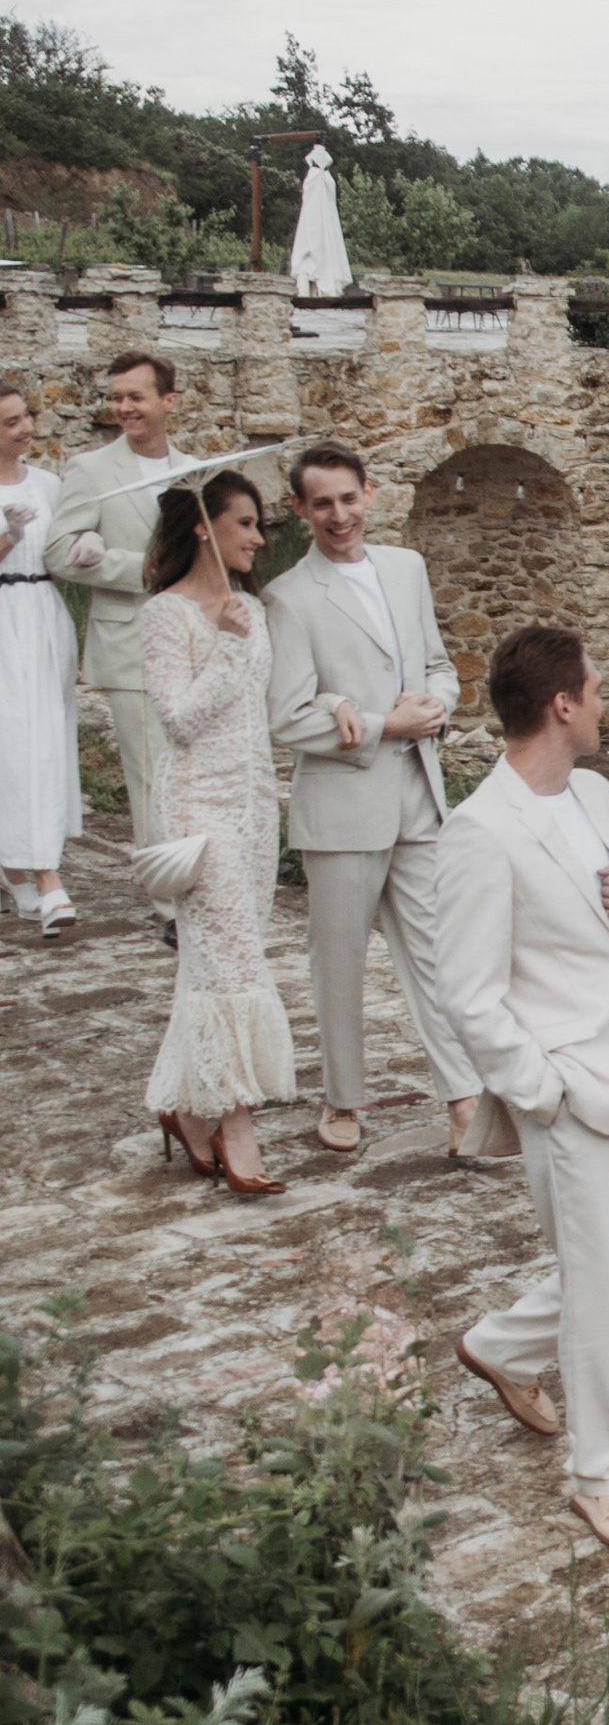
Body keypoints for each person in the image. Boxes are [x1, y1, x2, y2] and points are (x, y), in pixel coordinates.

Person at [438, 622, 609, 1561]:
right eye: (594, 689)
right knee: (596, 1284)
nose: (602, 703)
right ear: (561, 705)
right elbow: (468, 994)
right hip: (567, 1090)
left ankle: (505, 1344)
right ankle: (601, 1478)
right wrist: (542, 1092)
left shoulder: (593, 792)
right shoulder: (479, 831)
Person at [264, 441, 480, 1157]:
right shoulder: (288, 596)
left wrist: (437, 705)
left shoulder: (406, 568)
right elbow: (287, 717)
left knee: (438, 955)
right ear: (299, 508)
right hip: (342, 807)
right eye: (322, 503)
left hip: (418, 795)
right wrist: (386, 723)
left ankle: (464, 1100)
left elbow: (439, 665)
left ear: (370, 494)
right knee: (340, 963)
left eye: (348, 499)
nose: (339, 515)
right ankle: (343, 1098)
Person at [138, 471, 297, 1194]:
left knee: (214, 962)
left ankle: (182, 1107)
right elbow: (178, 720)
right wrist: (227, 646)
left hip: (254, 804)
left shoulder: (251, 608)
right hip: (197, 807)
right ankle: (237, 1124)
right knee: (231, 968)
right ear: (205, 526)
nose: (259, 539)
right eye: (246, 524)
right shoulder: (165, 615)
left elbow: (260, 711)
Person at [46, 347, 184, 856]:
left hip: (194, 639)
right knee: (150, 773)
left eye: (136, 397)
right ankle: (164, 887)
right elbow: (58, 552)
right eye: (116, 398)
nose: (124, 407)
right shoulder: (91, 469)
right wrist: (141, 569)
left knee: (191, 770)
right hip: (131, 642)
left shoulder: (198, 471)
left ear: (168, 401)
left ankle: (199, 875)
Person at [0, 379, 81, 930]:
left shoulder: (49, 484)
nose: (26, 427)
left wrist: (83, 551)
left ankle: (18, 867)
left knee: (48, 740)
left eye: (26, 415)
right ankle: (42, 875)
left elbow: (61, 553)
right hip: (3, 617)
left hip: (45, 615)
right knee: (14, 744)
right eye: (11, 422)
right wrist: (7, 536)